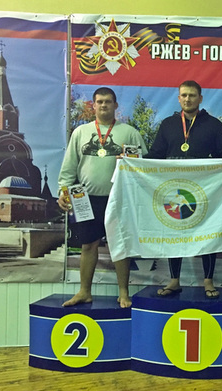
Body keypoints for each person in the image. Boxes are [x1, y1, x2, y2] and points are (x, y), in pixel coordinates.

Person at [145, 80, 222, 298]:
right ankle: (174, 280)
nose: (187, 99)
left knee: (206, 232)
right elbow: (155, 154)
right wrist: (131, 161)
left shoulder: (213, 125)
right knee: (174, 231)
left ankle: (208, 281)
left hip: (204, 190)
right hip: (173, 189)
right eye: (184, 95)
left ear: (200, 98)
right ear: (178, 98)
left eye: (192, 95)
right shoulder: (168, 124)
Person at [58, 87, 147, 308]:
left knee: (120, 246)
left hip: (120, 198)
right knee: (88, 245)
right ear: (93, 105)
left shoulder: (129, 133)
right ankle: (84, 292)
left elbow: (144, 165)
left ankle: (124, 293)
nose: (104, 105)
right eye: (99, 102)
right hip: (86, 199)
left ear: (115, 105)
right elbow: (69, 167)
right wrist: (63, 191)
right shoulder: (81, 132)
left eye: (108, 101)